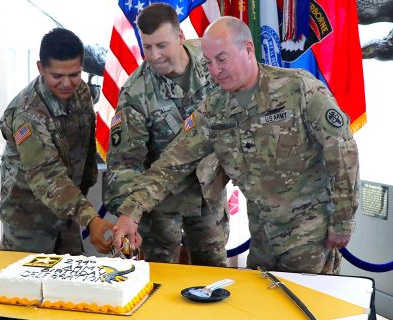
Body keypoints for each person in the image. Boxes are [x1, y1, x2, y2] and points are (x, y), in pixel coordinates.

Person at [113, 16, 360, 274]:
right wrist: (131, 212)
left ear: (248, 49)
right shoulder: (214, 109)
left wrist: (343, 220)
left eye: (222, 59)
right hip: (262, 238)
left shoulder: (299, 89)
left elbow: (342, 152)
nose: (215, 70)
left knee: (304, 309)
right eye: (208, 62)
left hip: (309, 236)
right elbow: (171, 163)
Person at [105, 3, 229, 266]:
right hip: (161, 202)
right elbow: (124, 165)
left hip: (209, 191)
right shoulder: (135, 94)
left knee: (213, 273)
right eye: (147, 47)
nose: (154, 55)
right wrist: (130, 214)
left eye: (162, 45)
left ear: (180, 37)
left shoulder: (210, 60)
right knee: (160, 276)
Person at [0, 28, 113, 255]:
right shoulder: (28, 113)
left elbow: (86, 149)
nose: (67, 83)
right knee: (25, 287)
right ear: (41, 68)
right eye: (57, 76)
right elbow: (47, 176)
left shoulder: (81, 92)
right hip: (29, 221)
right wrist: (92, 219)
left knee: (72, 282)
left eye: (74, 74)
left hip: (67, 211)